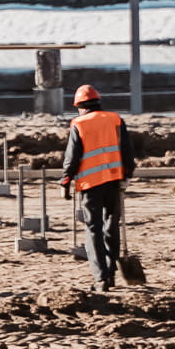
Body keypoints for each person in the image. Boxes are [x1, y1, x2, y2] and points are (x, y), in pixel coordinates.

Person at [60, 83, 137, 292]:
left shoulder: (79, 123)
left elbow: (72, 156)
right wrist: (127, 173)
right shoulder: (115, 119)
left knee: (93, 230)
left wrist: (66, 180)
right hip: (114, 181)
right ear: (97, 102)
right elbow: (127, 149)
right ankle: (111, 274)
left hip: (91, 185)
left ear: (80, 106)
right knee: (111, 227)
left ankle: (101, 278)